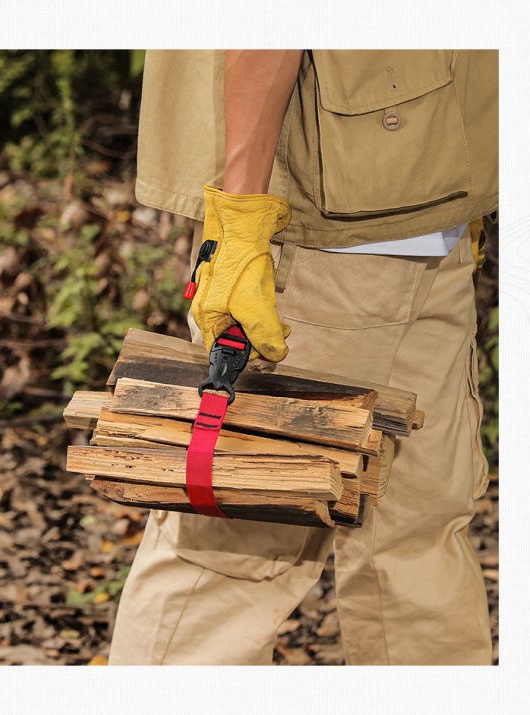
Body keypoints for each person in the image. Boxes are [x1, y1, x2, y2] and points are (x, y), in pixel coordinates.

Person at [108, 50, 498, 665]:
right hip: (319, 228)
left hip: (424, 216)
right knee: (234, 551)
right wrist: (240, 222)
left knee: (418, 543)